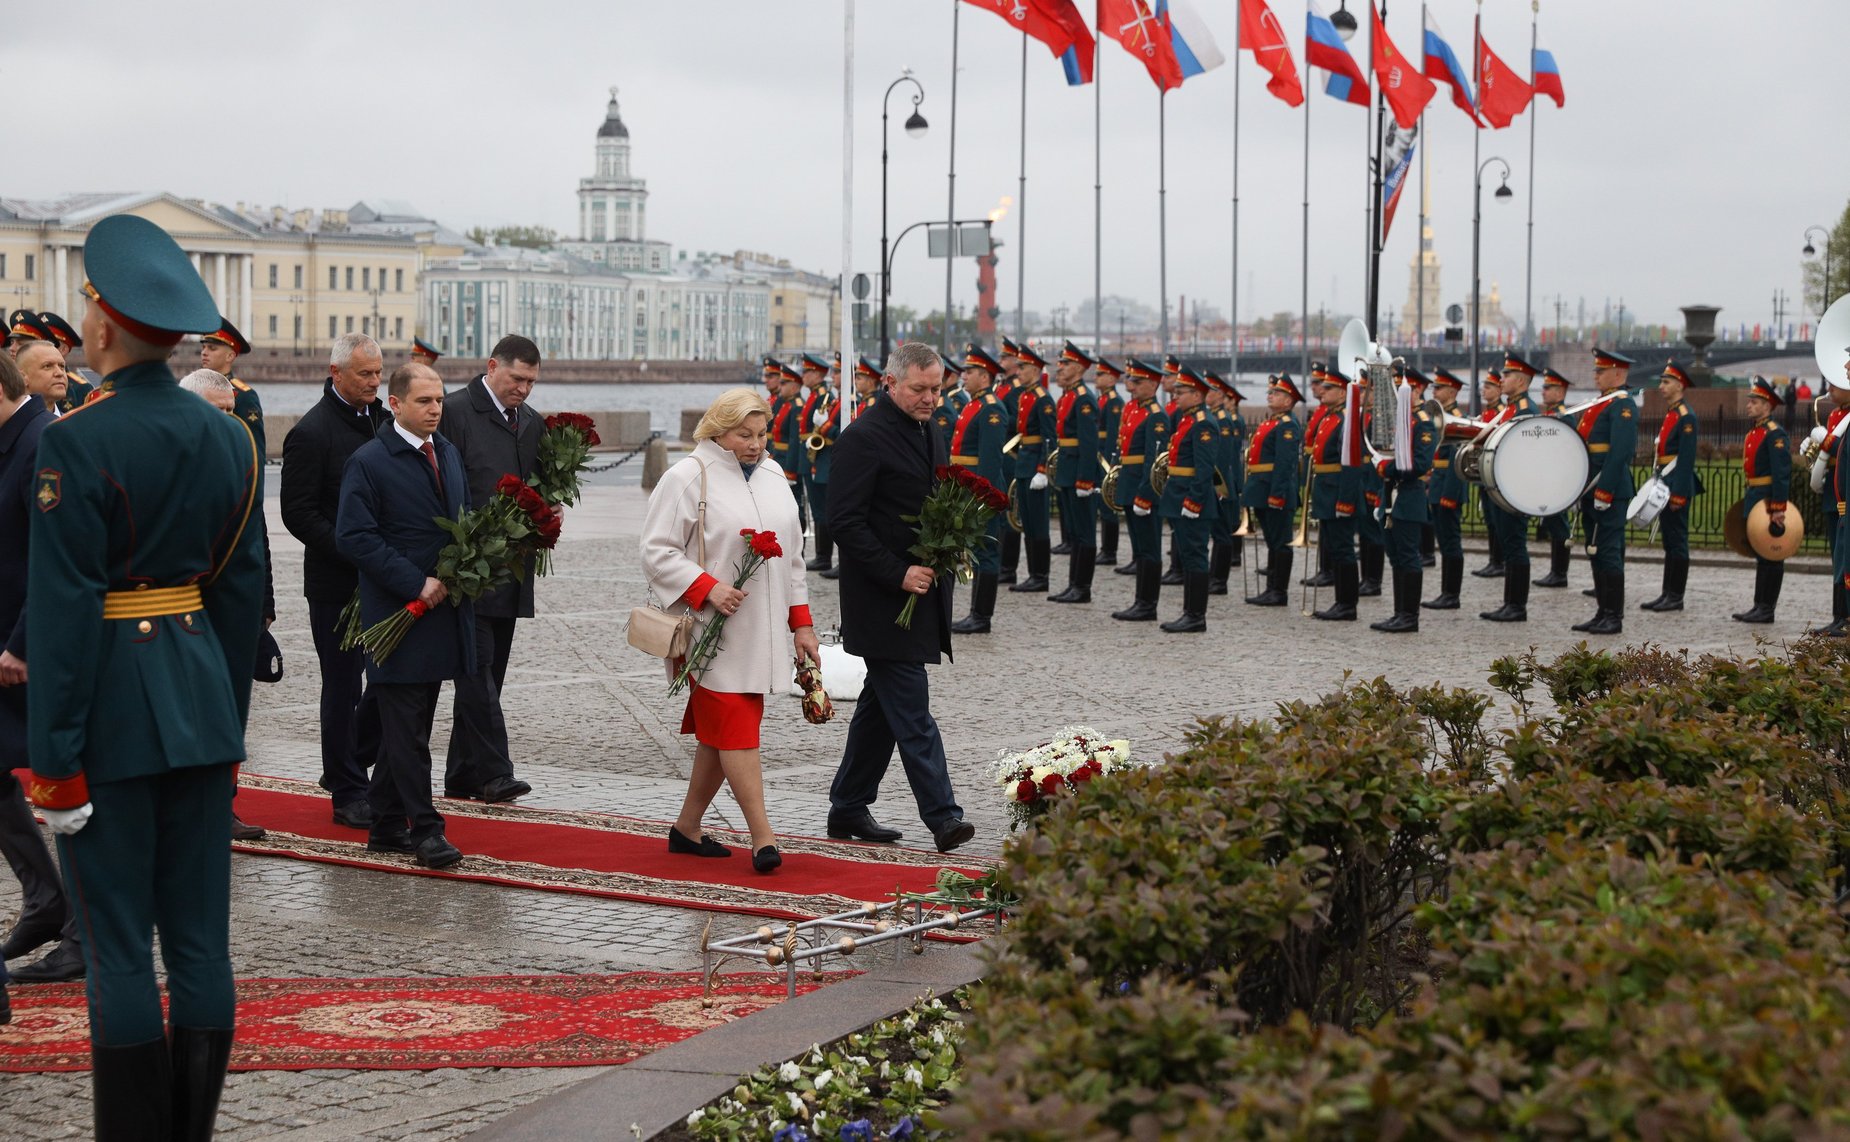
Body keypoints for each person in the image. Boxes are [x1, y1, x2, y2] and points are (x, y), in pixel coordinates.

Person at [25, 213, 266, 1140]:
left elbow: (63, 612)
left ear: (102, 327)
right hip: (201, 705)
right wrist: (221, 722)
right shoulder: (230, 439)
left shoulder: (76, 442)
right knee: (202, 941)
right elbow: (236, 600)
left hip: (114, 720)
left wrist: (55, 760)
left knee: (121, 948)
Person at [642, 389, 817, 872]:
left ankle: (686, 828)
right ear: (717, 431)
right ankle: (763, 838)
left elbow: (795, 557)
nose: (755, 444)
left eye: (762, 434)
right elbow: (656, 550)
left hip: (763, 635)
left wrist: (801, 625)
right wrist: (707, 588)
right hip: (707, 633)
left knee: (722, 734)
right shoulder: (686, 476)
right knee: (737, 730)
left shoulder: (775, 475)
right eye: (744, 434)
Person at [826, 342, 975, 854]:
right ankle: (944, 817)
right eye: (920, 388)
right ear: (891, 383)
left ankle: (847, 804)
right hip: (882, 601)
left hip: (920, 598)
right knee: (912, 712)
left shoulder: (930, 431)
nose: (931, 398)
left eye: (937, 388)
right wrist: (898, 573)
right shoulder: (863, 438)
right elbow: (843, 521)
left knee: (881, 710)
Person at [336, 362, 473, 870]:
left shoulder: (448, 452)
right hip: (399, 615)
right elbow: (354, 536)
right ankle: (426, 831)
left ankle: (386, 824)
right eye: (423, 401)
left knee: (408, 725)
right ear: (394, 404)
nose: (435, 409)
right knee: (407, 730)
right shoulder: (370, 461)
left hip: (441, 615)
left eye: (438, 400)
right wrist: (413, 582)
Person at [281, 334, 390, 830]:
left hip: (383, 580)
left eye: (379, 373)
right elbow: (298, 513)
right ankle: (347, 789)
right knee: (343, 687)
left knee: (385, 684)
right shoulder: (311, 431)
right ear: (336, 372)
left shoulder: (383, 421)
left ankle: (347, 763)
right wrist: (353, 549)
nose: (375, 381)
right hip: (336, 583)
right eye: (365, 374)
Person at [0, 349, 84, 987]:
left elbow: (55, 557)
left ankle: (82, 933)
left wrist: (24, 643)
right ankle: (45, 899)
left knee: (68, 785)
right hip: (10, 643)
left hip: (35, 650)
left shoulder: (42, 441)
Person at [436, 335, 541, 805]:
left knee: (490, 677)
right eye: (517, 378)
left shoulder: (532, 423)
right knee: (475, 674)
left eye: (532, 382)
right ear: (492, 366)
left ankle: (461, 776)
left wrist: (549, 511)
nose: (523, 388)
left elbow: (537, 487)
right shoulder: (455, 412)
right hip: (465, 570)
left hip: (510, 571)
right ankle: (497, 772)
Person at [1572, 348, 1638, 635]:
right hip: (1590, 488)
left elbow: (1620, 452)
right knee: (1595, 551)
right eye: (1596, 370)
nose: (1596, 375)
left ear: (1619, 374)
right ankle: (1602, 611)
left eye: (1602, 371)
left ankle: (1614, 615)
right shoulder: (1600, 403)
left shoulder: (1622, 404)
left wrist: (1605, 491)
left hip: (1608, 491)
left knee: (1609, 552)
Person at [1370, 368, 1439, 633]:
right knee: (1396, 556)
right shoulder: (1400, 419)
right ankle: (1399, 612)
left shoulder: (1422, 422)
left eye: (1401, 389)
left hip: (1407, 495)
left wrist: (1388, 469)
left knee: (1409, 556)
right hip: (1389, 495)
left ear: (1417, 390)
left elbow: (1420, 464)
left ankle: (1409, 616)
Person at [949, 345, 1008, 635]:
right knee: (976, 551)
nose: (964, 376)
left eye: (970, 372)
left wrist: (982, 495)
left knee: (986, 554)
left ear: (985, 377)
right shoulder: (973, 404)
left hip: (979, 492)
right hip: (965, 488)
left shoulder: (991, 408)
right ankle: (974, 612)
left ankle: (981, 616)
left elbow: (990, 458)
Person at [1479, 353, 1541, 624]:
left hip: (1515, 485)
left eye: (1507, 376)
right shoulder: (1510, 408)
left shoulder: (1527, 409)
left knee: (1516, 545)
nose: (1501, 379)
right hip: (1501, 483)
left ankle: (1517, 605)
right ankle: (1509, 603)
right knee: (1508, 543)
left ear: (1521, 381)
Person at [1157, 368, 1218, 633]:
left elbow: (1204, 469)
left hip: (1191, 498)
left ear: (1196, 394)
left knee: (1195, 557)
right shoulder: (1187, 419)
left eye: (1180, 393)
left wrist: (1193, 501)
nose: (1176, 396)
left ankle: (1195, 615)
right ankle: (1189, 612)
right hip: (1178, 492)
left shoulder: (1203, 423)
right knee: (1188, 554)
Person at [1640, 362, 1704, 613]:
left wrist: (1678, 494)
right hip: (1666, 481)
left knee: (1677, 541)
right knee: (1669, 541)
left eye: (1666, 382)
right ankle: (1667, 592)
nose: (1661, 386)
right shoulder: (1673, 413)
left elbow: (1686, 459)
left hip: (1676, 485)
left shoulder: (1686, 416)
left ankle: (1676, 596)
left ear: (1679, 385)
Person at [1112, 359, 1173, 620]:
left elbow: (1155, 461)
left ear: (1152, 384)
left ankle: (1148, 605)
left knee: (1149, 549)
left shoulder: (1156, 416)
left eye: (1136, 382)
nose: (1130, 386)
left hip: (1142, 489)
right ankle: (1140, 601)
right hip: (1129, 483)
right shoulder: (1134, 410)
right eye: (1130, 380)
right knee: (1139, 549)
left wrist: (1146, 494)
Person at [1735, 377, 1792, 624]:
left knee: (1771, 554)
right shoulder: (1756, 431)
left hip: (1768, 501)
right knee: (1761, 553)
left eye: (1754, 402)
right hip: (1755, 498)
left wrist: (1778, 507)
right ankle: (1759, 604)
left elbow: (1781, 474)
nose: (1749, 405)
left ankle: (1767, 608)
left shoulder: (1774, 434)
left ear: (1767, 406)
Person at [1242, 375, 1303, 607]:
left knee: (1280, 542)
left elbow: (1285, 463)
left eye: (1276, 393)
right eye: (1270, 392)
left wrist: (1276, 494)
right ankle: (1271, 588)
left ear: (1288, 401)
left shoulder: (1287, 425)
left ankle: (1279, 591)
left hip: (1275, 490)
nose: (1270, 395)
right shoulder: (1272, 422)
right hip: (1262, 488)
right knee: (1272, 541)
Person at [1049, 342, 1102, 604]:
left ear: (1080, 368)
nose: (1061, 368)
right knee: (1074, 532)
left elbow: (1088, 443)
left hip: (1079, 471)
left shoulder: (1083, 399)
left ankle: (1082, 587)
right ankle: (1073, 584)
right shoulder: (1068, 395)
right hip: (1068, 469)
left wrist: (1085, 478)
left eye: (1067, 364)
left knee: (1084, 532)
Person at [1309, 371, 1362, 621]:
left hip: (1338, 491)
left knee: (1343, 549)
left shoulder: (1344, 421)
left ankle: (1347, 604)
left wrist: (1346, 499)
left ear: (1342, 394)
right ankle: (1341, 601)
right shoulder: (1329, 418)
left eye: (1329, 388)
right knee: (1334, 548)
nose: (1322, 391)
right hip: (1326, 490)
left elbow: (1351, 465)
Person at [1007, 343, 1057, 595]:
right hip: (1024, 462)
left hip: (1035, 465)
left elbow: (1049, 438)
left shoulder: (1043, 399)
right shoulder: (1025, 396)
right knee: (1027, 521)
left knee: (1038, 524)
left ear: (1036, 369)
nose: (1018, 371)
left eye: (1023, 367)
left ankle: (1041, 575)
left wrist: (1042, 469)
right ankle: (1033, 573)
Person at [1422, 368, 1469, 610]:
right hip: (1438, 484)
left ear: (1451, 391)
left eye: (1439, 388)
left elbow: (1457, 460)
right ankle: (1445, 592)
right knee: (1444, 541)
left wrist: (1450, 494)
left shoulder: (1456, 418)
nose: (1434, 391)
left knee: (1451, 542)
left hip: (1448, 487)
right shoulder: (1442, 416)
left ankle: (1452, 594)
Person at [1810, 366, 1850, 636]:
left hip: (1845, 497)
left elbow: (1842, 450)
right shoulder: (1836, 414)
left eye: (1836, 384)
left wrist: (1826, 443)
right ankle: (1839, 616)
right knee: (1838, 558)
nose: (1831, 388)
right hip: (1834, 494)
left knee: (1845, 557)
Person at [1532, 368, 1577, 589]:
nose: (1543, 392)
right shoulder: (1551, 415)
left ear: (1560, 393)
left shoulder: (1564, 417)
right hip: (1547, 476)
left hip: (1557, 479)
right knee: (1552, 523)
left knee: (1559, 525)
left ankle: (1560, 572)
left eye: (1548, 388)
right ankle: (1555, 570)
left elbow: (1567, 450)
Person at [1204, 373, 1246, 596]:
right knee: (1218, 532)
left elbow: (1222, 458)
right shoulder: (1215, 417)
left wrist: (1218, 487)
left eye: (1210, 391)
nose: (1206, 394)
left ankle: (1219, 580)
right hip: (1217, 484)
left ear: (1220, 395)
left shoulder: (1223, 421)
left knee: (1222, 534)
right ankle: (1214, 576)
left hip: (1221, 485)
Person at [200, 318, 263, 463]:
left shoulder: (244, 396)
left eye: (212, 348)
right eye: (203, 347)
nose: (204, 352)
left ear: (230, 356)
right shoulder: (196, 389)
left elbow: (254, 453)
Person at [798, 353, 838, 574]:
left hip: (820, 456)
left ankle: (824, 557)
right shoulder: (815, 395)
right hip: (811, 456)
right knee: (817, 507)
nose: (803, 375)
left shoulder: (823, 397)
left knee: (822, 509)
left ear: (817, 374)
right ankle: (821, 555)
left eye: (807, 371)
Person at [1471, 369, 1507, 579]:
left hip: (1494, 472)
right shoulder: (1487, 413)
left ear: (1499, 389)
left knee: (1496, 520)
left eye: (1488, 386)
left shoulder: (1501, 412)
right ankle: (1494, 560)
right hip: (1484, 472)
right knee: (1490, 519)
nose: (1483, 390)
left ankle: (1498, 561)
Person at [1094, 357, 1125, 569]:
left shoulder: (1114, 402)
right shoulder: (1103, 399)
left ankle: (1109, 550)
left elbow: (1114, 434)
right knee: (1101, 504)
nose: (1096, 378)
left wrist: (1109, 461)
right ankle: (1105, 548)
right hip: (1099, 454)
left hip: (1106, 457)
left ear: (1111, 378)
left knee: (1108, 506)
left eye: (1100, 374)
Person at [38, 313, 96, 410]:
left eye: (48, 344)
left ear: (63, 350)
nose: (40, 349)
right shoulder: (27, 381)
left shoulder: (80, 389)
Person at [16, 340, 69, 418]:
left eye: (61, 366)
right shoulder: (7, 424)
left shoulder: (70, 425)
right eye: (47, 366)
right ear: (22, 378)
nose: (59, 373)